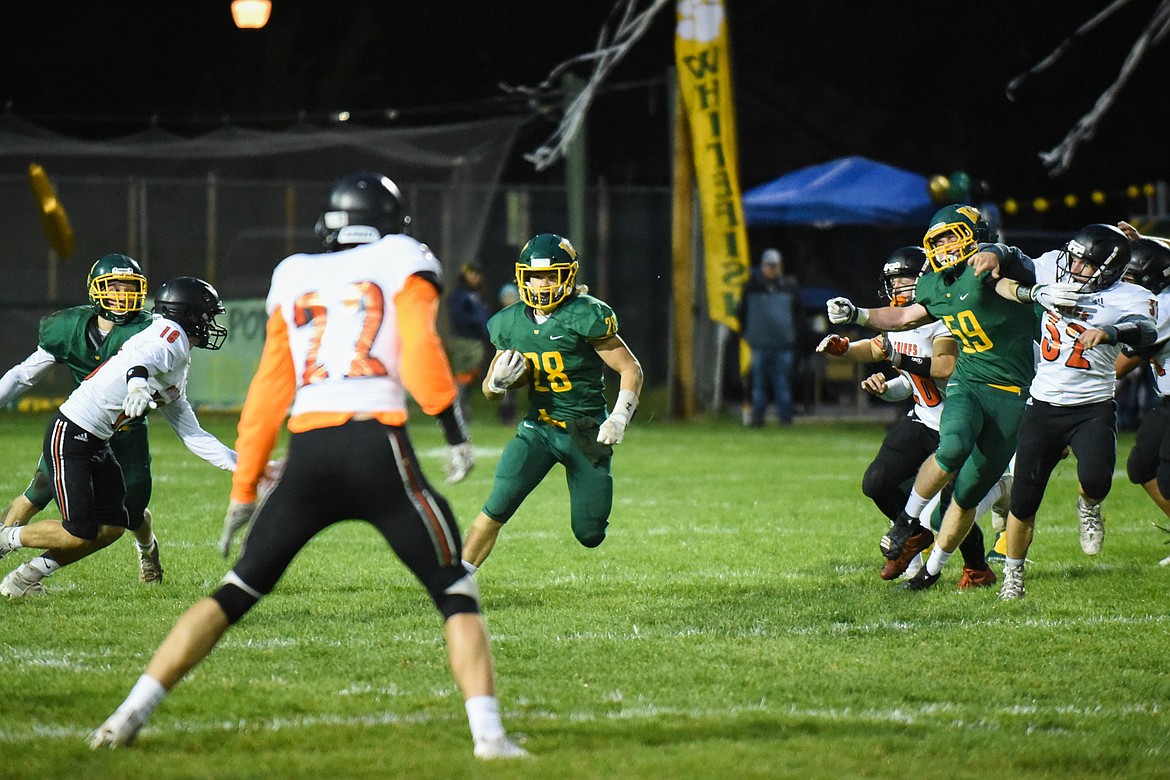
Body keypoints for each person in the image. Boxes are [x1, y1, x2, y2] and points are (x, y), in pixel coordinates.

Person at [89, 172, 525, 761]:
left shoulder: (293, 272)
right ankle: (490, 737)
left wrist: (245, 488)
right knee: (455, 589)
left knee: (235, 592)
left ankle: (126, 715)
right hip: (378, 447)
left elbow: (270, 388)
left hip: (310, 452)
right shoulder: (404, 256)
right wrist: (451, 428)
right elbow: (421, 347)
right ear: (389, 221)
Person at [827, 204, 1082, 591]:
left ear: (975, 235)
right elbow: (902, 320)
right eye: (938, 239)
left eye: (951, 235)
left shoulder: (994, 264)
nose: (944, 245)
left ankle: (942, 569)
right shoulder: (935, 285)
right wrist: (857, 315)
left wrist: (1023, 279)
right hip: (969, 382)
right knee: (953, 448)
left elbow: (1006, 281)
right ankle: (906, 522)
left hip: (1013, 393)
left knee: (966, 494)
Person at [0, 277, 238, 597]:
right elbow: (143, 359)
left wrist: (243, 465)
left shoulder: (177, 354)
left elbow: (193, 434)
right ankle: (5, 539)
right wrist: (137, 385)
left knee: (113, 527)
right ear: (190, 315)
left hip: (97, 441)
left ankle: (23, 580)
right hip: (72, 433)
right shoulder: (170, 337)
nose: (211, 323)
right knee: (78, 531)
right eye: (208, 315)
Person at [461, 233, 643, 570]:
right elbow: (489, 389)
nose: (541, 284)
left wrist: (619, 416)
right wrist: (498, 383)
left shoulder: (586, 315)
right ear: (522, 277)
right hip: (539, 428)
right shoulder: (510, 322)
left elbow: (630, 368)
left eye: (550, 275)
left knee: (590, 533)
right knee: (497, 503)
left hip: (586, 430)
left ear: (568, 276)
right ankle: (457, 580)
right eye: (534, 276)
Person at [997, 225, 1156, 600]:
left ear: (1109, 269)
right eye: (1076, 257)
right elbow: (1005, 270)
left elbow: (1147, 332)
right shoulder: (1053, 267)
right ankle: (1013, 576)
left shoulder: (1128, 296)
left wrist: (1112, 333)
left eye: (1087, 263)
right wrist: (1027, 287)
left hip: (1092, 408)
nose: (1075, 267)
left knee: (1098, 480)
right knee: (1024, 499)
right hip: (1044, 405)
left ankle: (1087, 506)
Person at [0, 253, 164, 583]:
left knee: (129, 514)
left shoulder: (148, 330)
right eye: (113, 287)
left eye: (128, 287)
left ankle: (147, 550)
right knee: (35, 494)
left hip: (125, 433)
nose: (121, 295)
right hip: (80, 428)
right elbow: (23, 376)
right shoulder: (69, 329)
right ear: (96, 291)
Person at [1114, 237, 1170, 566]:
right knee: (1142, 466)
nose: (1124, 283)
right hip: (1166, 399)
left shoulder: (1162, 307)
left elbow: (1122, 366)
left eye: (1130, 277)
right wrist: (1142, 241)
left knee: (1167, 476)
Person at [737, 248, 804, 427]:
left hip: (783, 344)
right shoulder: (752, 287)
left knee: (781, 384)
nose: (772, 269)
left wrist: (794, 336)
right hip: (760, 343)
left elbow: (798, 315)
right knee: (759, 385)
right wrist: (746, 333)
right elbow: (742, 313)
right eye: (769, 266)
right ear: (762, 267)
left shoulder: (789, 288)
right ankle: (758, 417)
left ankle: (785, 418)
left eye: (774, 266)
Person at [447, 261, 491, 419]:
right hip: (464, 339)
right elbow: (457, 316)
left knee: (472, 374)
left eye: (477, 274)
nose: (475, 277)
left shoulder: (476, 294)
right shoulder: (460, 295)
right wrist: (476, 322)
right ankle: (457, 407)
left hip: (476, 340)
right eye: (472, 273)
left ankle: (462, 405)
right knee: (461, 375)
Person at [496, 282, 522, 425]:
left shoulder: (520, 314)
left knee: (514, 387)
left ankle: (511, 415)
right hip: (504, 355)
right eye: (506, 296)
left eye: (511, 296)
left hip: (516, 354)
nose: (509, 299)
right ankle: (504, 415)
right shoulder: (501, 316)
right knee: (504, 386)